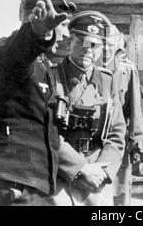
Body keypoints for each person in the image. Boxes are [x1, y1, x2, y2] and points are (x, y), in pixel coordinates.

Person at [0, 0, 97, 206]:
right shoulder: (5, 53)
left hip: (26, 185)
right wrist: (39, 33)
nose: (65, 35)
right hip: (1, 183)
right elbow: (19, 52)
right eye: (62, 26)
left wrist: (80, 166)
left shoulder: (42, 65)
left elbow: (48, 132)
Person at [53, 11, 126, 206]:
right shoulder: (52, 78)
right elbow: (47, 134)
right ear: (69, 43)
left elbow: (117, 133)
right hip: (59, 175)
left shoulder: (107, 81)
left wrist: (102, 172)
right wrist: (79, 169)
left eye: (95, 45)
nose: (88, 49)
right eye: (82, 42)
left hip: (97, 179)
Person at [102, 24, 143, 206]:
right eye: (102, 42)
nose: (106, 47)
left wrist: (136, 143)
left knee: (118, 194)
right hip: (90, 142)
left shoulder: (128, 70)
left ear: (118, 44)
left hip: (118, 140)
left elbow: (135, 109)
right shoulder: (89, 67)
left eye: (110, 42)